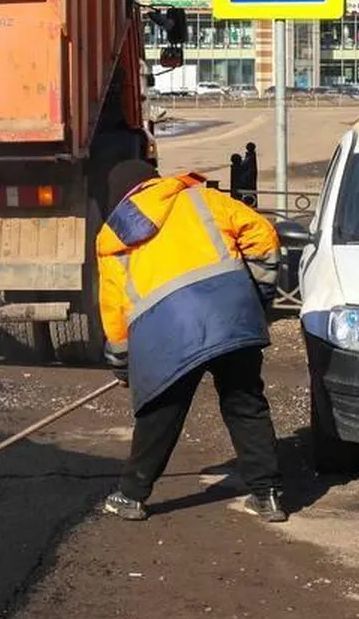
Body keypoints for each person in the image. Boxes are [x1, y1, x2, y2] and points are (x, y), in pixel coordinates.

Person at [97, 160, 288, 523]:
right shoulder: (203, 199)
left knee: (162, 410)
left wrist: (123, 362)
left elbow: (115, 308)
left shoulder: (114, 237)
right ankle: (269, 496)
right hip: (230, 315)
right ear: (155, 182)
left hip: (169, 332)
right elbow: (262, 234)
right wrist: (258, 294)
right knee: (244, 401)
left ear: (122, 197)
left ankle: (132, 496)